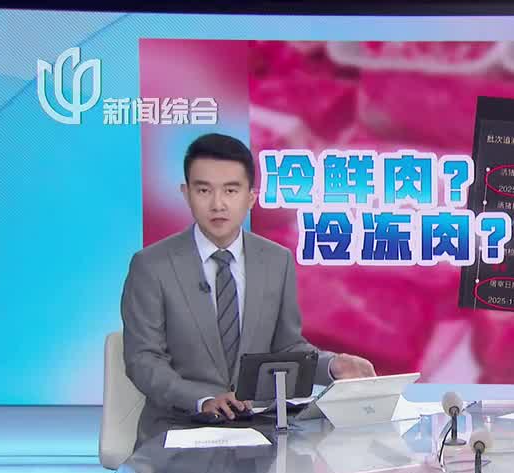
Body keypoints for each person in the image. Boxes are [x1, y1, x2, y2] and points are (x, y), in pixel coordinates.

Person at [122, 133, 374, 445]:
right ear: (186, 194)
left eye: (231, 190)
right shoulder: (152, 265)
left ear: (251, 197)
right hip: (178, 430)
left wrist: (333, 366)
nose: (218, 204)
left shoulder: (276, 260)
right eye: (204, 190)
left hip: (259, 431)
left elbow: (286, 348)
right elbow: (143, 360)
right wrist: (202, 399)